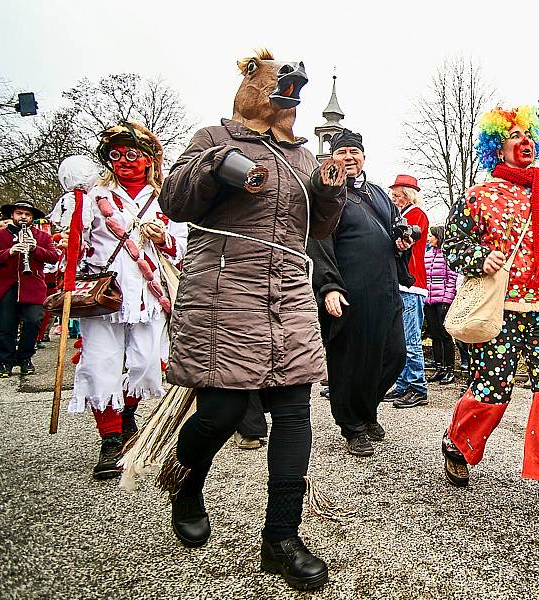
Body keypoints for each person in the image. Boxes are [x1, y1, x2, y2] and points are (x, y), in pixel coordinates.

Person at [157, 51, 346, 591]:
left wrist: (330, 192)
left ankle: (282, 538)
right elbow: (174, 201)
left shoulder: (305, 156)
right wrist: (215, 166)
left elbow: (320, 228)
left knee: (294, 411)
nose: (290, 97)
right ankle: (187, 484)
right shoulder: (212, 136)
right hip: (224, 288)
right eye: (282, 87)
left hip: (288, 290)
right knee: (220, 411)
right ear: (256, 87)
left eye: (296, 91)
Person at [441, 105, 539, 532]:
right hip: (501, 309)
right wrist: (478, 256)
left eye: (528, 134)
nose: (523, 141)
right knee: (492, 390)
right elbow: (453, 246)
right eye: (513, 135)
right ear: (497, 146)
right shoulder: (478, 195)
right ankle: (458, 442)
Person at [68, 121, 188, 480]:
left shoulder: (166, 199)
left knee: (147, 363)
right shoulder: (93, 196)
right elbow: (74, 242)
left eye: (132, 154)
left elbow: (182, 247)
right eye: (116, 154)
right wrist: (73, 226)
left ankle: (129, 418)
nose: (124, 160)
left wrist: (164, 237)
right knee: (100, 362)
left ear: (149, 159)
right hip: (105, 294)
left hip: (150, 296)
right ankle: (110, 438)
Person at [309, 129, 415, 457]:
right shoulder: (326, 195)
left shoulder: (379, 194)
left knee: (394, 354)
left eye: (355, 152)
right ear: (332, 158)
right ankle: (352, 424)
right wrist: (328, 286)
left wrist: (402, 244)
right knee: (350, 361)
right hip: (349, 290)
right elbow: (319, 241)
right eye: (342, 153)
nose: (349, 158)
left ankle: (367, 409)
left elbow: (397, 229)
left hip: (385, 288)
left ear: (364, 157)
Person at [0, 200, 57, 377]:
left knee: (33, 322)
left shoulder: (43, 237)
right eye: (19, 213)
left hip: (32, 286)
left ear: (32, 218)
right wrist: (9, 252)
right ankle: (5, 362)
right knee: (5, 326)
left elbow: (53, 257)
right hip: (5, 286)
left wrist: (35, 249)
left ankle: (25, 357)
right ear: (12, 215)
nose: (23, 217)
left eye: (27, 214)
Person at [387, 174, 430, 408]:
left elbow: (411, 237)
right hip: (401, 282)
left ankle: (417, 386)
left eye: (397, 195)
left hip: (412, 284)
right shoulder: (402, 215)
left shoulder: (417, 215)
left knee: (411, 339)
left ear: (407, 195)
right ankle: (403, 384)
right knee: (401, 338)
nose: (393, 198)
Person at [422, 225, 458, 388]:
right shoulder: (427, 255)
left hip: (442, 300)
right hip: (429, 301)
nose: (428, 238)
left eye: (431, 235)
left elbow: (451, 278)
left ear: (439, 237)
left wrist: (447, 300)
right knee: (435, 334)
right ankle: (439, 368)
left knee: (445, 335)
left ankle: (450, 369)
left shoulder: (447, 256)